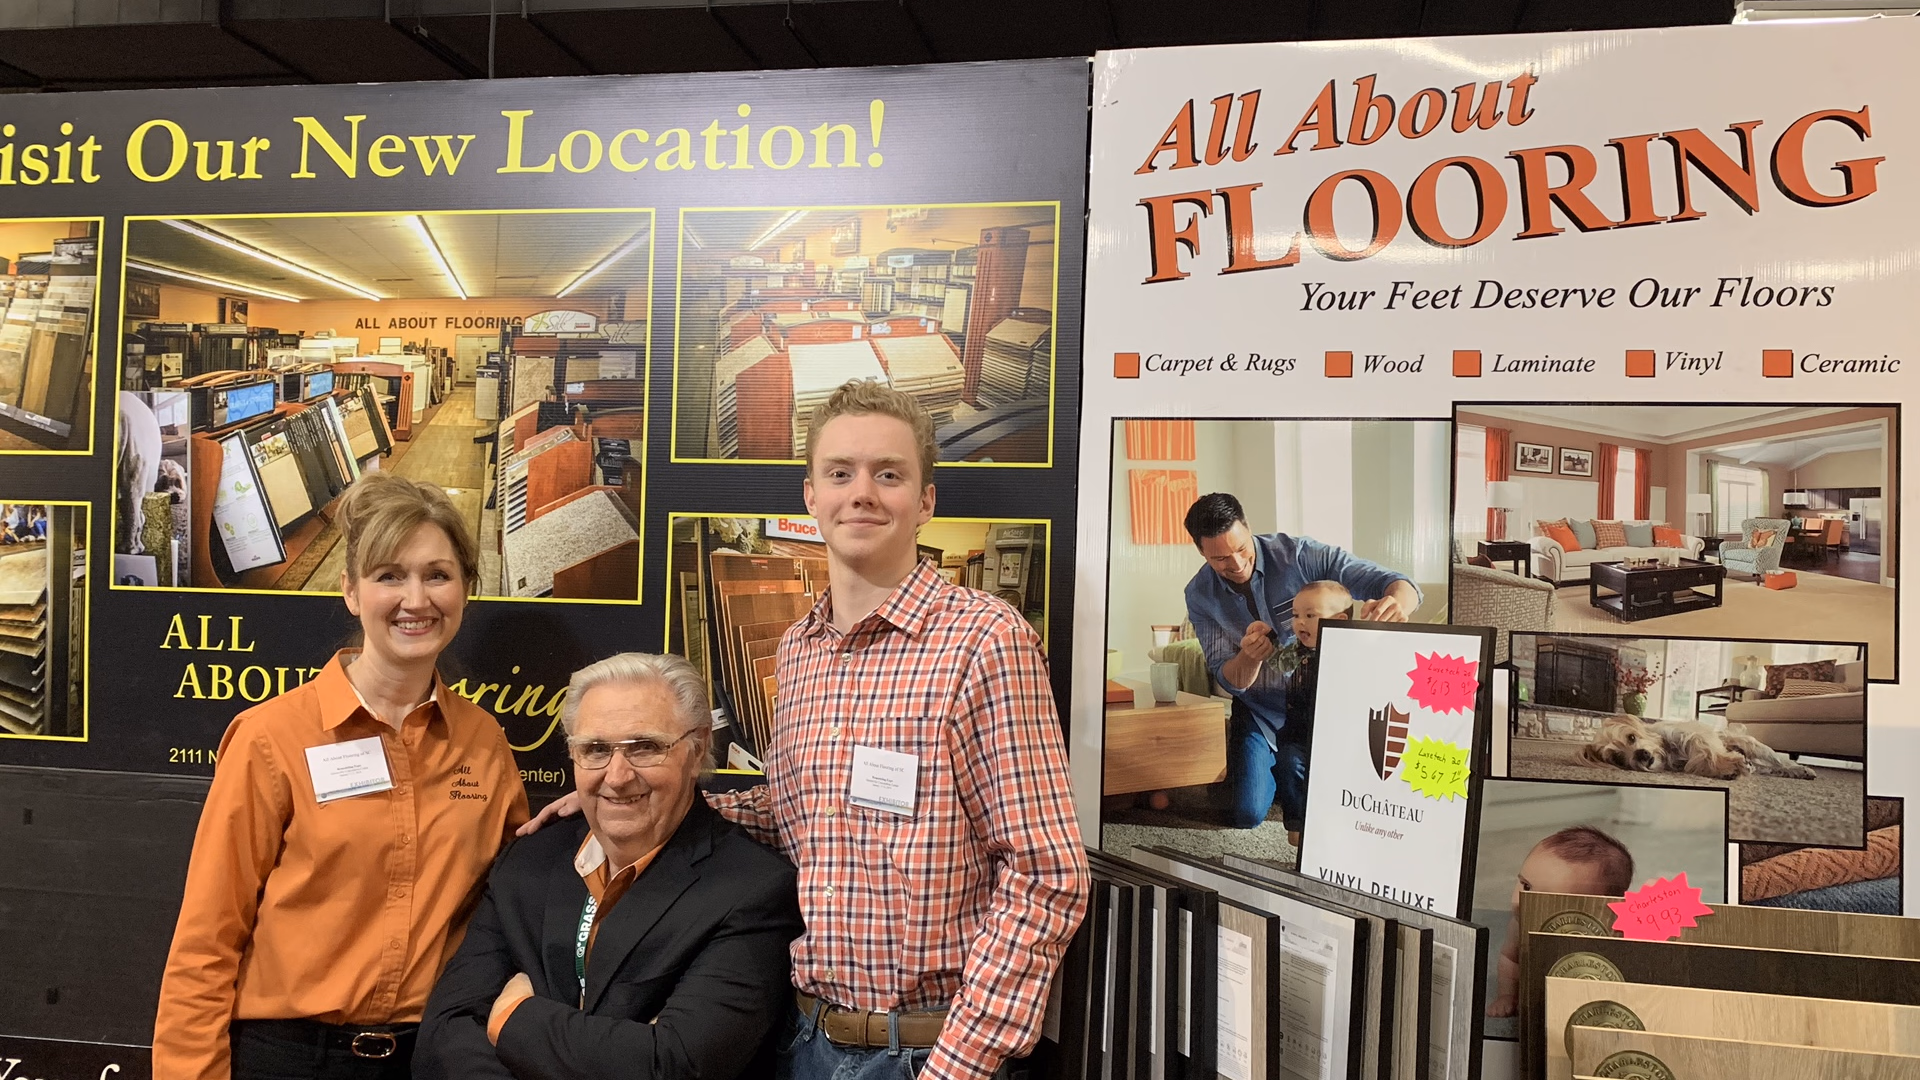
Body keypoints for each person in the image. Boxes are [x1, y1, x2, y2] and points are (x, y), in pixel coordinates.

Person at [717, 380, 1087, 1080]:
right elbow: (796, 811)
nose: (862, 493)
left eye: (888, 474)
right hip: (802, 1040)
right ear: (811, 496)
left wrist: (958, 1066)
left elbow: (1047, 874)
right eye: (840, 473)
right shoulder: (798, 650)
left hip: (923, 1053)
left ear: (925, 501)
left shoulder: (985, 641)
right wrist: (643, 802)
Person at [154, 473, 531, 1080]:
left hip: (432, 1058)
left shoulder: (484, 743)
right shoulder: (272, 737)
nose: (416, 600)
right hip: (288, 1059)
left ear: (466, 588)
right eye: (389, 576)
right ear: (351, 591)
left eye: (437, 574)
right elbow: (206, 942)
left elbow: (520, 902)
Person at [414, 653, 803, 1080]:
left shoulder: (754, 890)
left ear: (695, 750)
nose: (617, 776)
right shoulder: (528, 861)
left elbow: (673, 1065)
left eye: (645, 747)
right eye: (595, 750)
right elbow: (446, 1037)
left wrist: (511, 1018)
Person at [1182, 493, 1421, 844]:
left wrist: (1396, 605)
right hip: (1260, 711)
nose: (1236, 563)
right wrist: (1250, 656)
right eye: (1220, 558)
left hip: (1321, 708)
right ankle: (1269, 768)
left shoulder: (1300, 555)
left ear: (1248, 528)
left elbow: (1398, 583)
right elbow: (1227, 678)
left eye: (1242, 548)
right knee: (1246, 814)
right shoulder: (1199, 594)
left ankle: (1293, 773)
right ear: (1202, 553)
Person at [1486, 826, 1635, 1017]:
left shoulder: (1604, 935)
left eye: (1548, 900)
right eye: (1526, 885)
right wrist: (1506, 995)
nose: (1521, 901)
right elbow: (1510, 960)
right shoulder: (1519, 924)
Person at [1277, 579, 1352, 748]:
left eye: (1310, 615)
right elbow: (1279, 661)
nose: (1300, 622)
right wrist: (1267, 637)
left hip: (1331, 734)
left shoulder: (1347, 656)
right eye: (1296, 615)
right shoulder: (1298, 649)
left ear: (1339, 620)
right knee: (1288, 763)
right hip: (1295, 733)